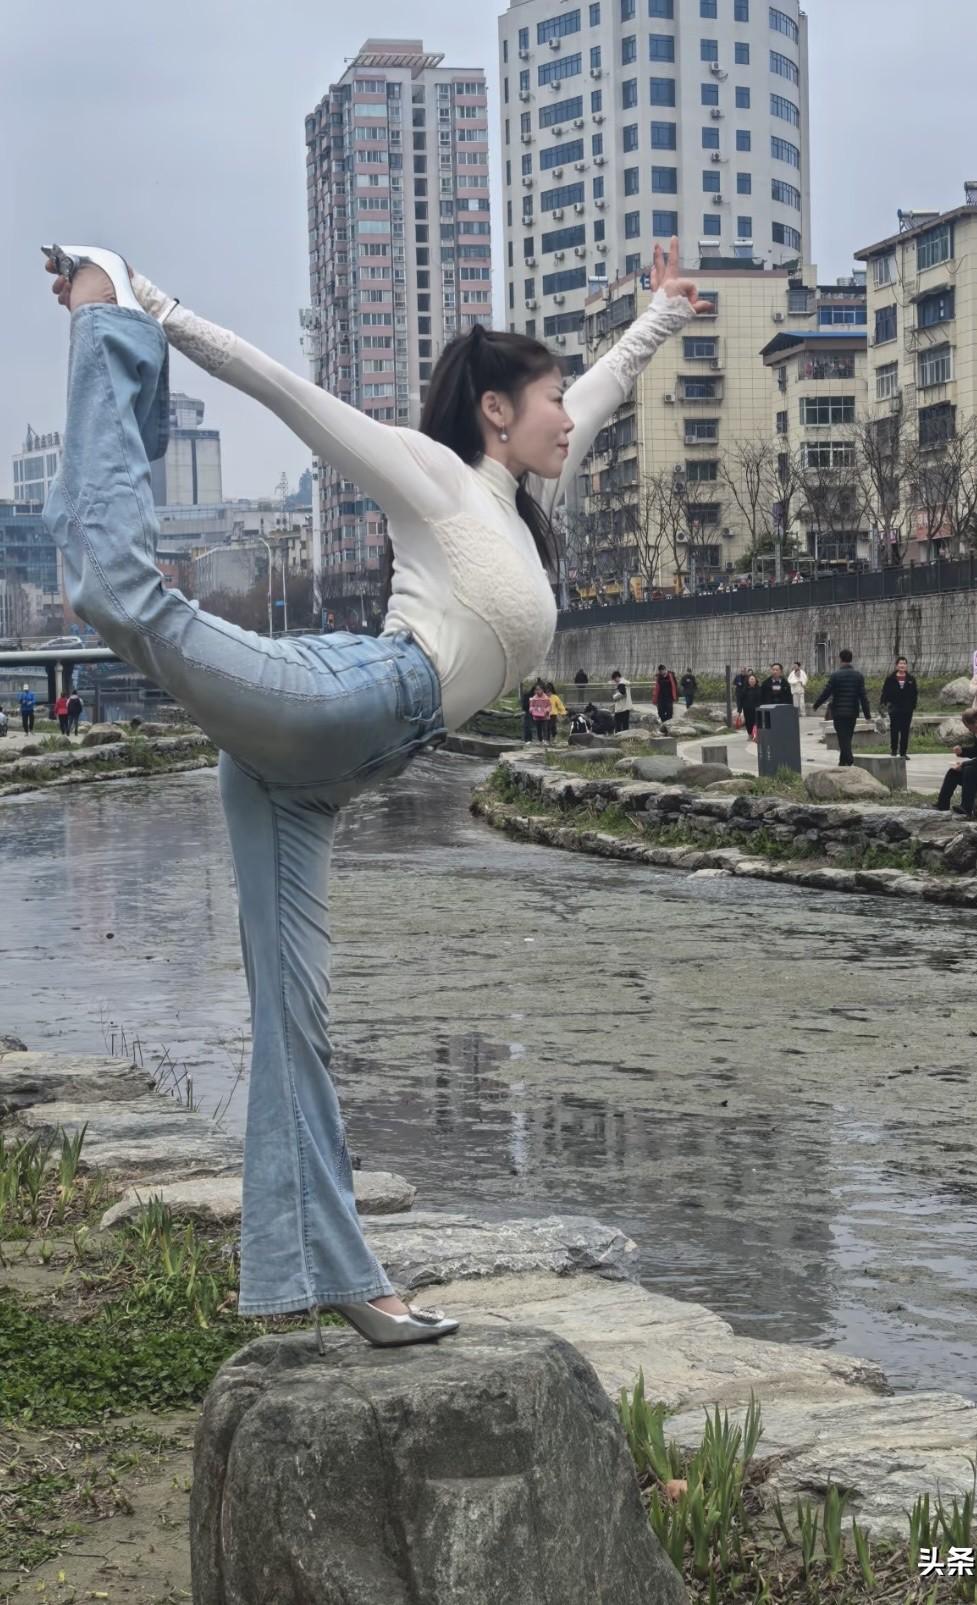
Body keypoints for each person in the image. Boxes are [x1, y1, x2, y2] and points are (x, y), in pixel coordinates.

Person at [40, 233, 707, 1351]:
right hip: (342, 703)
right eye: (546, 399)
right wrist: (151, 300)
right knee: (119, 594)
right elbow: (288, 393)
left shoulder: (520, 488)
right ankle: (101, 313)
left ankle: (338, 1275)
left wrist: (664, 313)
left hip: (325, 780)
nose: (566, 416)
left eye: (562, 400)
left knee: (293, 1022)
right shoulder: (435, 479)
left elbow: (605, 384)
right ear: (495, 411)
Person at [813, 649, 870, 766]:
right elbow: (863, 697)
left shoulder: (835, 675)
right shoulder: (858, 676)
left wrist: (816, 705)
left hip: (838, 712)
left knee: (842, 737)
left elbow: (826, 692)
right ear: (851, 659)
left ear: (840, 659)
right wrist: (867, 715)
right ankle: (842, 761)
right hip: (852, 712)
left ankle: (849, 758)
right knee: (847, 736)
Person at [879, 656, 919, 758]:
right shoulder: (890, 679)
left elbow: (915, 693)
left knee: (905, 730)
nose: (902, 665)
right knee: (894, 729)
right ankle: (893, 750)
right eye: (900, 663)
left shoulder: (911, 679)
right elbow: (885, 692)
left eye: (904, 663)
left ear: (906, 665)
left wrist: (913, 705)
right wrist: (883, 704)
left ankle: (903, 752)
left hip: (907, 708)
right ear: (896, 665)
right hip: (894, 707)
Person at [739, 672, 763, 739]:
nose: (752, 681)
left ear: (756, 680)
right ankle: (750, 734)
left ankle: (756, 735)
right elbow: (741, 699)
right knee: (748, 722)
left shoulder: (759, 689)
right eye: (751, 679)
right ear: (748, 681)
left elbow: (762, 698)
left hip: (757, 709)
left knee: (756, 721)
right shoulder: (744, 689)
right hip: (747, 709)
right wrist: (739, 709)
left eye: (753, 679)